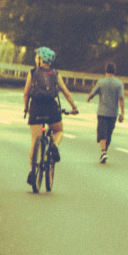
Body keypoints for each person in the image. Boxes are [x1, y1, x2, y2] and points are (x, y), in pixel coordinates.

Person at [23, 46, 79, 185]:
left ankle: (32, 171)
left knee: (35, 140)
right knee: (59, 131)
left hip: (36, 107)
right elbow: (65, 92)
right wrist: (74, 107)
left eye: (37, 57)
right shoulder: (55, 74)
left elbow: (26, 93)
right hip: (51, 108)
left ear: (41, 59)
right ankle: (54, 145)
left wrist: (26, 108)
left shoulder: (32, 73)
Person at [86, 62, 126, 164]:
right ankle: (104, 152)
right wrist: (122, 113)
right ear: (114, 71)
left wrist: (89, 98)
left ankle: (103, 152)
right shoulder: (118, 84)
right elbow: (121, 98)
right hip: (113, 114)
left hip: (102, 112)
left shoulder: (101, 82)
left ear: (106, 70)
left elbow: (92, 93)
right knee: (108, 134)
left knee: (102, 133)